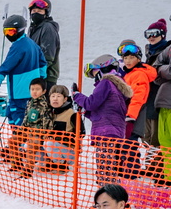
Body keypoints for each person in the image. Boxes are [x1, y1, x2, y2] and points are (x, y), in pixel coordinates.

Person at [73, 55, 134, 185]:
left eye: (95, 74)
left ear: (103, 70)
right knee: (108, 167)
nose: (95, 78)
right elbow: (103, 112)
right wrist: (85, 110)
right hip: (114, 131)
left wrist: (77, 96)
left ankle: (108, 197)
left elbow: (91, 103)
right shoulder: (117, 89)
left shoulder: (106, 83)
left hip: (105, 133)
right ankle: (109, 196)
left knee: (104, 169)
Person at [0, 14, 46, 126]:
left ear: (21, 30)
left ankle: (19, 142)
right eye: (6, 32)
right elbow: (43, 64)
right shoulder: (32, 44)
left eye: (11, 32)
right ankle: (20, 141)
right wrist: (41, 79)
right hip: (32, 92)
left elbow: (6, 66)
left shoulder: (18, 46)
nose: (8, 35)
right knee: (21, 116)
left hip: (19, 92)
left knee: (17, 117)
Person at [6, 78, 52, 178]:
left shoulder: (44, 105)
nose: (34, 92)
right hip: (28, 131)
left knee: (31, 145)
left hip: (38, 133)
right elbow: (26, 118)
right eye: (32, 89)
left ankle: (28, 169)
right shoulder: (30, 102)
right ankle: (17, 164)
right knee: (12, 141)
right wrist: (21, 130)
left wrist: (43, 135)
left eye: (37, 89)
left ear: (44, 91)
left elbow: (47, 121)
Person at [119, 40, 158, 151]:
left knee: (129, 149)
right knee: (127, 149)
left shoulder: (139, 74)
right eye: (125, 58)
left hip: (133, 118)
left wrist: (130, 116)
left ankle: (132, 168)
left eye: (131, 57)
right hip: (129, 116)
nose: (128, 61)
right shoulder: (130, 74)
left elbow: (138, 97)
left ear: (139, 58)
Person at [39, 84, 79, 174]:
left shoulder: (71, 113)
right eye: (53, 96)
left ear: (65, 99)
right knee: (31, 144)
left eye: (58, 96)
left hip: (68, 151)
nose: (55, 99)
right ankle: (49, 162)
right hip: (53, 148)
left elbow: (81, 133)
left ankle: (62, 165)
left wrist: (59, 138)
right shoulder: (49, 113)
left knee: (49, 143)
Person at [27, 0, 60, 88]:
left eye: (39, 11)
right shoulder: (33, 29)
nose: (35, 13)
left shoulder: (48, 28)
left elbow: (48, 55)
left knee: (43, 102)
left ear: (46, 13)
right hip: (35, 75)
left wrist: (40, 74)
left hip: (45, 77)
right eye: (33, 11)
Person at [153, 42, 171, 185]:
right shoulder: (169, 49)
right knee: (166, 147)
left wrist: (164, 70)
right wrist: (166, 70)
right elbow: (155, 70)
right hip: (164, 104)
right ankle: (169, 181)